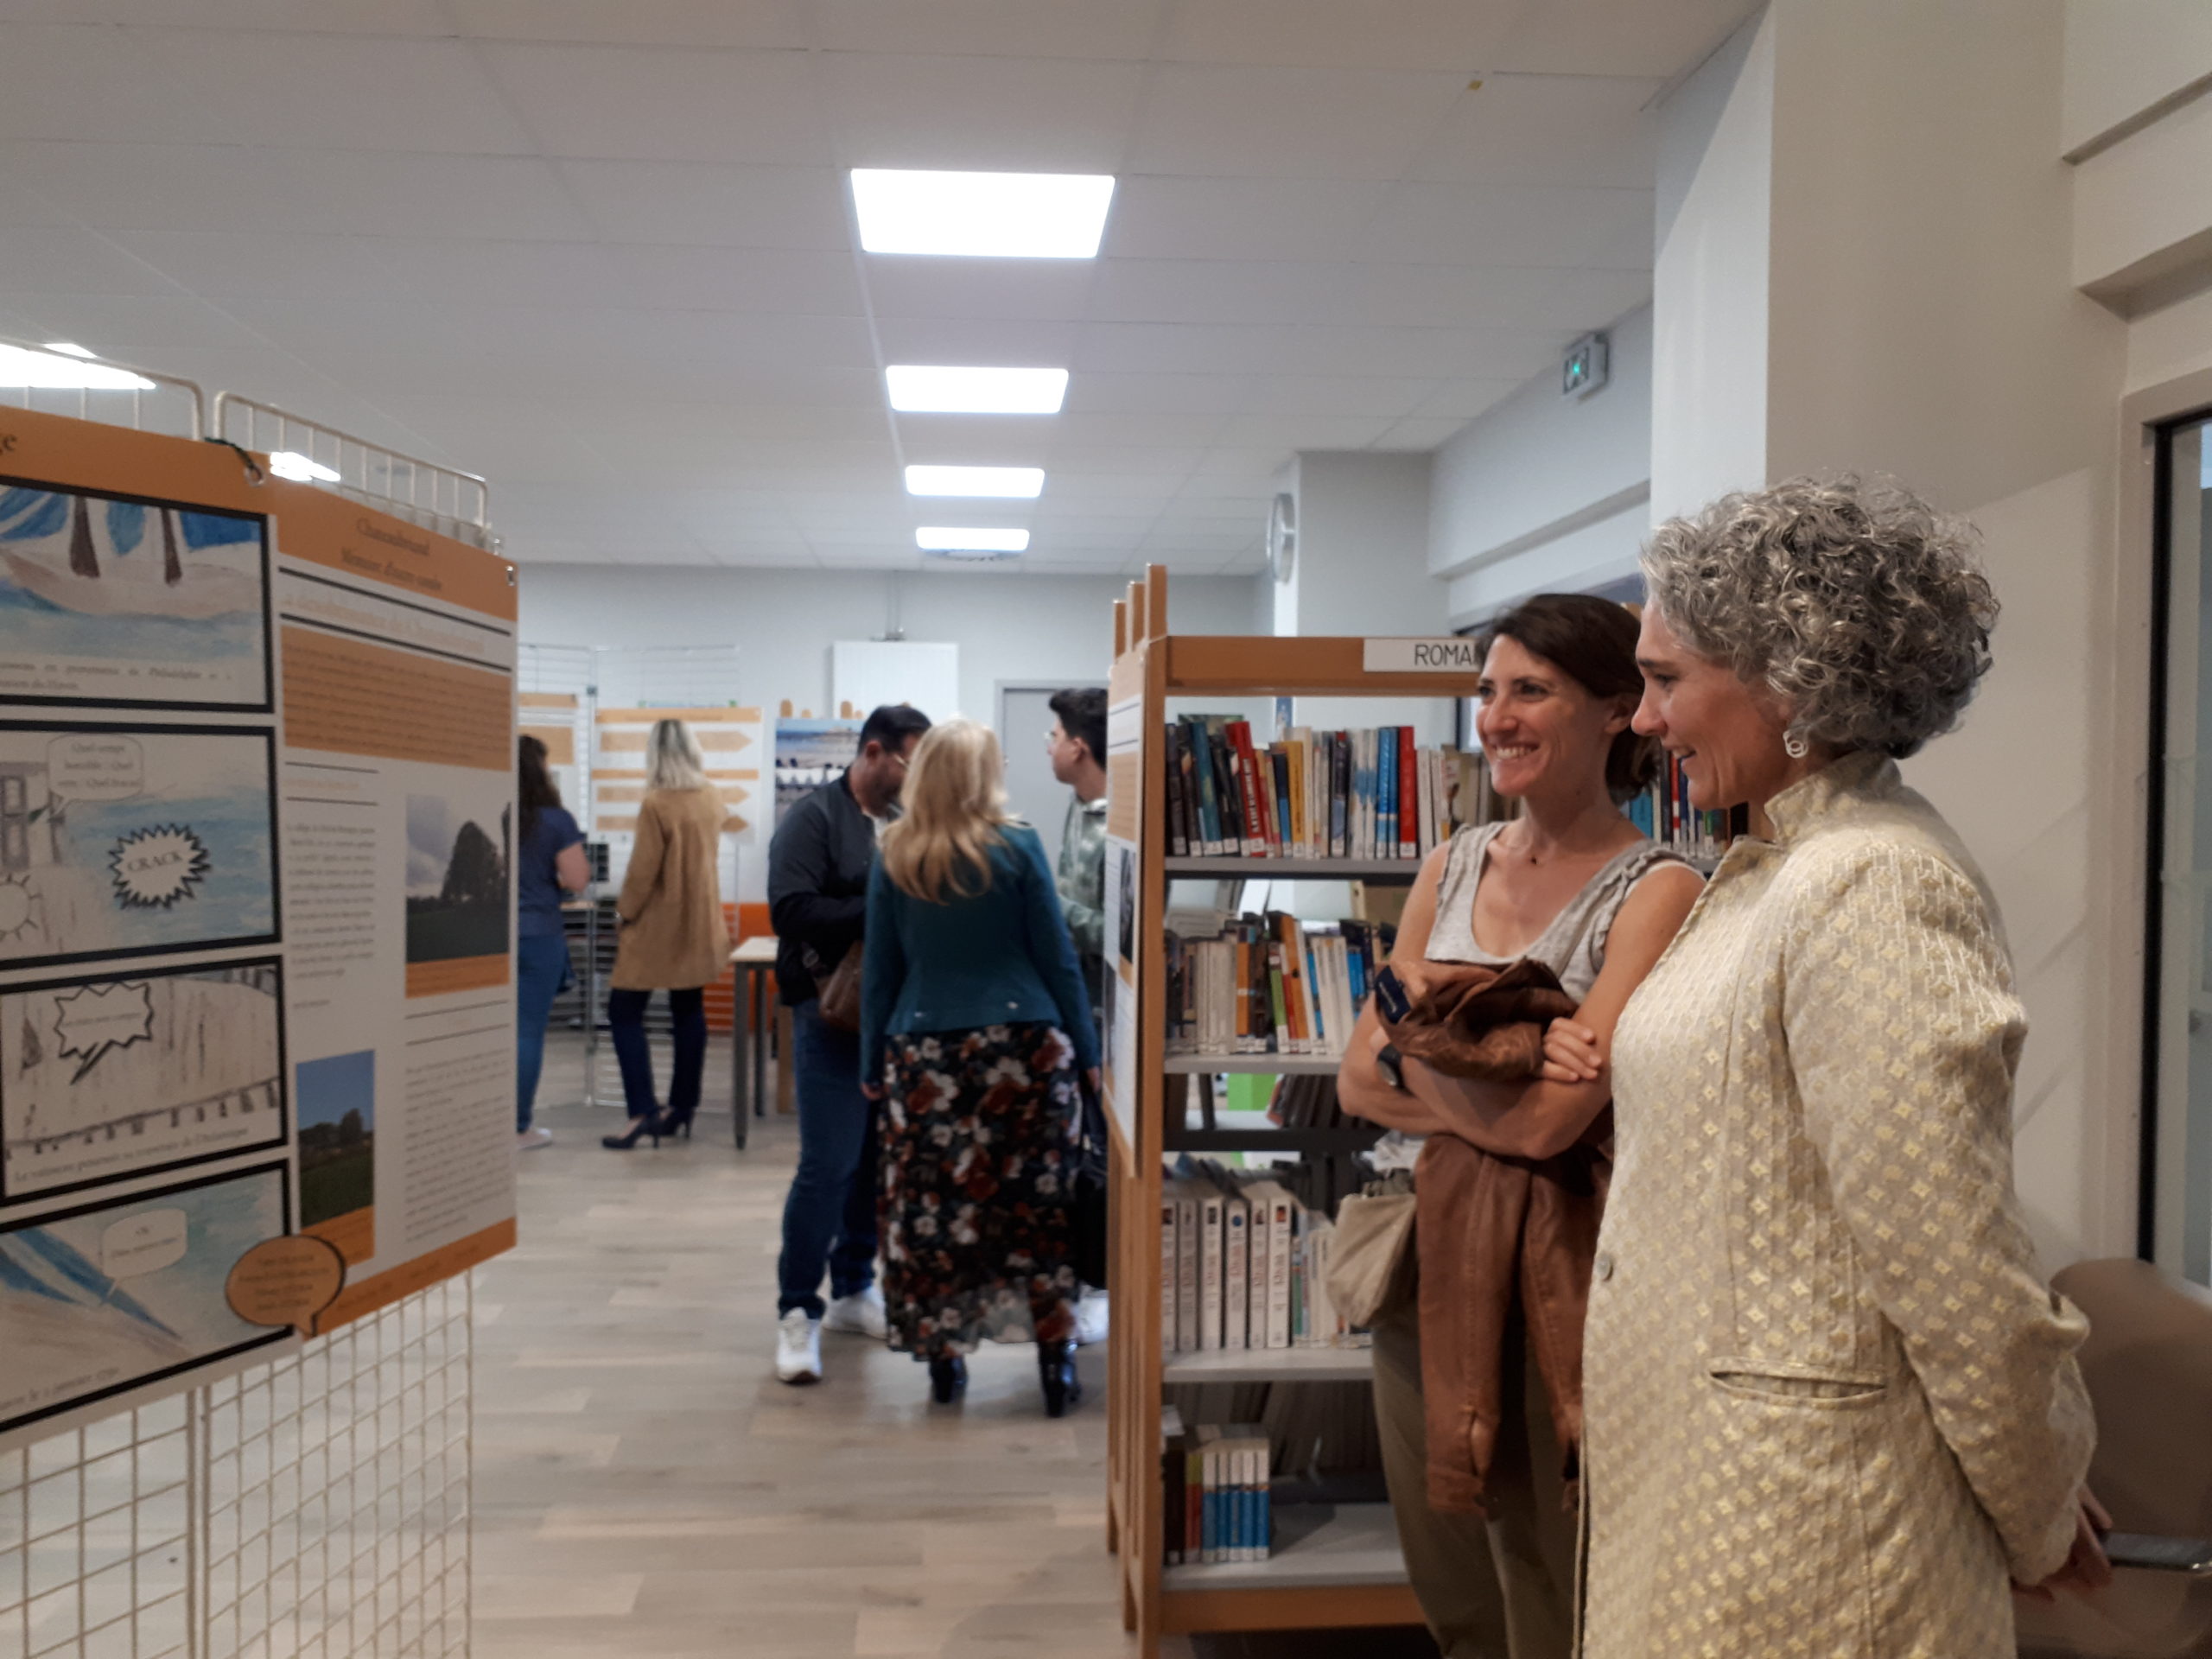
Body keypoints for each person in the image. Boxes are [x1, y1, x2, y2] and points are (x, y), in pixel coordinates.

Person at [1576, 478, 2107, 1656]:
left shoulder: (1874, 882)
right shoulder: (1781, 863)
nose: (1643, 719)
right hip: (1729, 1491)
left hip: (1812, 1536)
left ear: (1793, 682)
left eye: (1667, 680)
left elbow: (1956, 1261)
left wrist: (2039, 1502)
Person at [1337, 594, 1704, 1659]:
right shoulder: (1452, 864)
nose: (1497, 716)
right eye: (1489, 691)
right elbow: (1358, 1078)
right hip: (1427, 1270)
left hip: (1564, 1284)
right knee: (1451, 1591)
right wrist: (1505, 1063)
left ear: (1615, 711)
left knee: (1551, 1591)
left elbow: (1552, 1128)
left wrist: (1430, 1051)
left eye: (1530, 690)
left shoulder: (1660, 887)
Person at [858, 718, 1100, 1414]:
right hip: (1023, 1052)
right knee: (1036, 1212)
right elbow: (1056, 957)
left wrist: (875, 1056)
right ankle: (1055, 1361)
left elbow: (881, 970)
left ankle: (944, 1358)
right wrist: (1085, 1049)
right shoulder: (1018, 845)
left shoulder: (896, 852)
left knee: (934, 1214)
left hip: (924, 1054)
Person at [770, 702, 932, 1384]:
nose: (916, 774)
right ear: (873, 754)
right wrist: (884, 901)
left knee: (872, 1165)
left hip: (892, 1020)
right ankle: (797, 1312)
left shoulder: (903, 823)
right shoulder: (811, 819)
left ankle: (853, 1290)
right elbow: (792, 911)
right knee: (827, 1165)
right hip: (829, 1018)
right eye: (910, 760)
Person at [601, 718, 728, 1151]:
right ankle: (681, 1109)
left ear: (655, 754)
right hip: (698, 923)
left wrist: (623, 913)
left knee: (623, 1011)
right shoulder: (712, 798)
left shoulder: (656, 804)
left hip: (657, 926)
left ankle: (642, 1111)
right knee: (688, 1010)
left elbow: (642, 872)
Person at [1046, 684, 1112, 1348]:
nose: (1049, 747)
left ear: (1079, 746)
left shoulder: (1120, 822)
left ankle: (1105, 1284)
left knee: (1106, 1154)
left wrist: (1046, 908)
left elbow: (1121, 932)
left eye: (1054, 736)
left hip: (1108, 1014)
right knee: (1077, 1154)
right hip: (1073, 1010)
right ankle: (1083, 1275)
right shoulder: (1077, 808)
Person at [515, 734, 588, 1150]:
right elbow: (576, 880)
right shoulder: (555, 821)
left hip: (488, 935)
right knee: (527, 1033)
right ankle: (518, 1127)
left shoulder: (489, 808)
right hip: (539, 933)